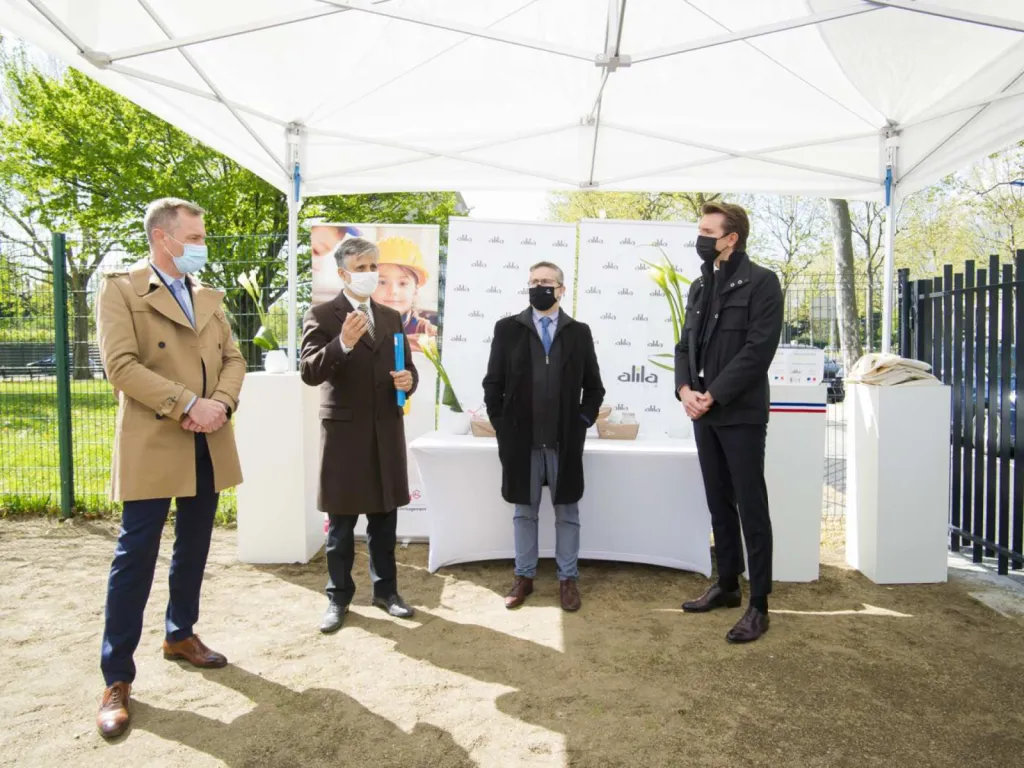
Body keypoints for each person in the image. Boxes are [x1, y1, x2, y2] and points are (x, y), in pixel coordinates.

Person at [94, 198, 246, 738]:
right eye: (195, 235)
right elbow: (120, 366)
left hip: (207, 438)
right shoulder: (121, 289)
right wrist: (188, 403)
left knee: (195, 544)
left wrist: (220, 406)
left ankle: (180, 633)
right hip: (157, 438)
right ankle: (117, 677)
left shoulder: (207, 294)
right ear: (163, 237)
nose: (202, 244)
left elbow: (234, 357)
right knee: (136, 554)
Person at [675, 202, 783, 644]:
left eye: (706, 230)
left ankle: (759, 604)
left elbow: (758, 352)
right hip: (702, 411)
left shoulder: (762, 283)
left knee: (750, 507)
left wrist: (713, 394)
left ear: (731, 237)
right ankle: (726, 585)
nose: (700, 237)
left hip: (738, 414)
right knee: (718, 503)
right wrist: (685, 390)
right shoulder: (701, 286)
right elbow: (684, 346)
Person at [299, 236, 418, 633]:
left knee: (385, 520)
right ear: (343, 272)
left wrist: (408, 379)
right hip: (345, 436)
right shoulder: (322, 315)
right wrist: (342, 343)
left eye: (374, 268)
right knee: (342, 526)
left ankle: (387, 592)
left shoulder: (390, 317)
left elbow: (409, 371)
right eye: (362, 268)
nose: (369, 275)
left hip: (385, 430)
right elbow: (310, 371)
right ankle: (338, 598)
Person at [482, 261, 605, 612]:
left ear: (561, 289)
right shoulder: (508, 329)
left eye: (547, 282)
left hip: (564, 440)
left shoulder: (578, 332)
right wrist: (501, 423)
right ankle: (524, 577)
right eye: (534, 281)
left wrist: (582, 420)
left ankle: (568, 579)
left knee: (567, 510)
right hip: (522, 440)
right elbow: (493, 382)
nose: (540, 287)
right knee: (525, 511)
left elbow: (594, 387)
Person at [373, 236, 439, 352]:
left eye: (403, 283)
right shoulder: (354, 327)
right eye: (382, 282)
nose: (393, 291)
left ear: (415, 290)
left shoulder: (425, 331)